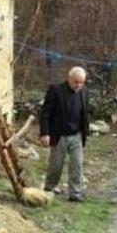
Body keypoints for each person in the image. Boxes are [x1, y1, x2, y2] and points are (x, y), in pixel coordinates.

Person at [39, 67, 90, 202]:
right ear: (69, 79)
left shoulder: (84, 92)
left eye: (81, 82)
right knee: (56, 164)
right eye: (76, 82)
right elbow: (45, 112)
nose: (78, 85)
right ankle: (50, 188)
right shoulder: (56, 90)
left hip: (77, 134)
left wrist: (86, 132)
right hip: (59, 134)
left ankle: (75, 193)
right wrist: (45, 133)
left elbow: (84, 113)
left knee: (77, 164)